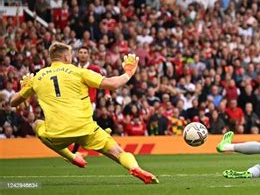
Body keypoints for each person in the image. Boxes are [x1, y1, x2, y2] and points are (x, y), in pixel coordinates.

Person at [9, 42, 158, 184]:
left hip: (57, 133)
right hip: (85, 128)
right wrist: (128, 73)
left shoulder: (38, 77)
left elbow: (13, 102)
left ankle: (72, 156)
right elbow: (113, 84)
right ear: (67, 57)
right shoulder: (78, 71)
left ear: (51, 57)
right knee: (118, 152)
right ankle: (135, 168)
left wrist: (24, 88)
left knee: (37, 125)